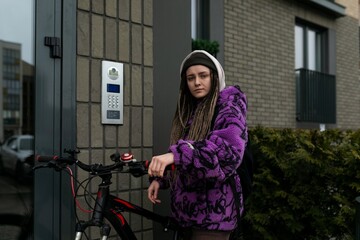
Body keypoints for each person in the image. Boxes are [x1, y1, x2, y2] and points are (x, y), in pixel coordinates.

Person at [147, 50, 248, 240]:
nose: (197, 82)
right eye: (190, 78)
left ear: (215, 77)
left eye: (203, 75)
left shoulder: (229, 105)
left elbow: (227, 154)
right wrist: (160, 179)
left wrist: (175, 155)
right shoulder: (190, 110)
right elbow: (187, 157)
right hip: (186, 213)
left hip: (215, 215)